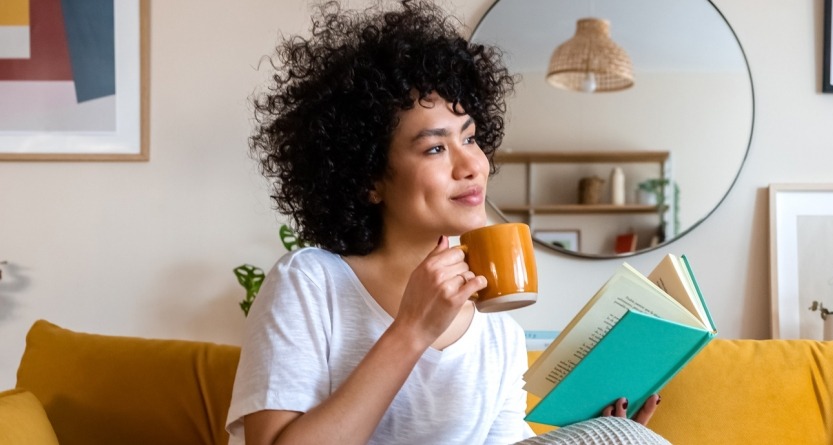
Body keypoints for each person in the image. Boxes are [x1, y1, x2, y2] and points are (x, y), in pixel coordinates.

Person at [225, 1, 658, 444]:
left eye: (469, 138)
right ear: (368, 179)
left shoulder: (498, 331)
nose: (472, 164)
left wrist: (600, 431)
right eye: (435, 148)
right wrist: (411, 331)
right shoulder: (310, 283)